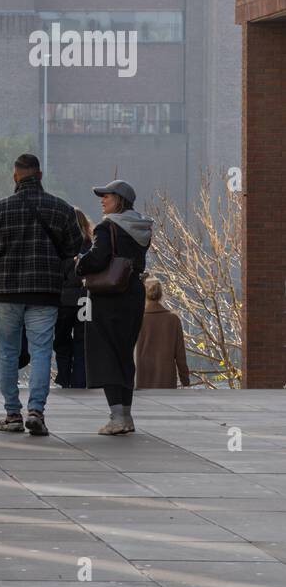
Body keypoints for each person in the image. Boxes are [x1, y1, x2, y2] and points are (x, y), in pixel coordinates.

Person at [0, 153, 82, 437]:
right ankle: (36, 411)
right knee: (42, 350)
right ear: (40, 175)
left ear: (15, 176)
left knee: (7, 353)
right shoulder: (61, 209)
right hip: (45, 291)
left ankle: (12, 414)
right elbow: (74, 247)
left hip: (6, 292)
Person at [76, 179, 153, 434]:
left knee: (106, 353)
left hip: (109, 297)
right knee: (124, 354)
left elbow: (97, 259)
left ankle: (116, 417)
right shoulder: (142, 228)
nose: (102, 200)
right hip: (133, 294)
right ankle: (127, 416)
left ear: (118, 201)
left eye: (107, 196)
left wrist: (80, 263)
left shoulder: (107, 228)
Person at [54, 208, 94, 388]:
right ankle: (80, 380)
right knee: (82, 343)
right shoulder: (92, 246)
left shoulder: (60, 246)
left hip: (63, 301)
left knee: (61, 341)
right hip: (85, 300)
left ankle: (63, 378)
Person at [135, 279, 191, 389]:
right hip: (167, 380)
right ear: (161, 295)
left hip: (141, 379)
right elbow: (180, 355)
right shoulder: (173, 320)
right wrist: (185, 380)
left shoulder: (136, 319)